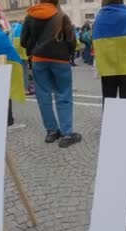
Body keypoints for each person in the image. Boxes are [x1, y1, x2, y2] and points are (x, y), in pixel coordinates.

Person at [21, 0, 82, 148]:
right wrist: (66, 53)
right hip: (60, 60)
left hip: (39, 60)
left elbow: (23, 41)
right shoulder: (62, 16)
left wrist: (34, 50)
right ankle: (67, 134)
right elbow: (72, 42)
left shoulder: (30, 16)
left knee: (43, 96)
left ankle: (52, 132)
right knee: (64, 95)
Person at [92, 0, 126, 102]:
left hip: (107, 67)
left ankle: (108, 118)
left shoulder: (100, 17)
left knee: (108, 100)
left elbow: (96, 42)